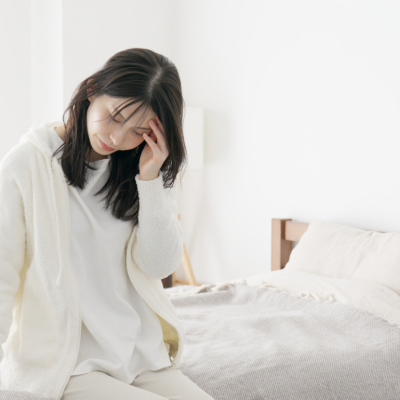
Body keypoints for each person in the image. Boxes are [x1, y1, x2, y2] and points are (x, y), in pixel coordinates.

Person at [0, 48, 215, 400]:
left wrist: (150, 180)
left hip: (141, 356)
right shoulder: (25, 166)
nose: (117, 138)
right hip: (68, 364)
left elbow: (159, 265)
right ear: (91, 90)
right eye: (114, 116)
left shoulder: (145, 168)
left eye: (138, 130)